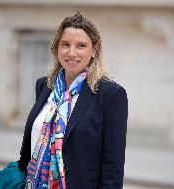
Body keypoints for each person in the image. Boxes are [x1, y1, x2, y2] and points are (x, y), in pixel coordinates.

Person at [18, 12, 128, 189]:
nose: (71, 53)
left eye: (81, 45)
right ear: (56, 48)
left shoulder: (110, 94)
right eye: (65, 44)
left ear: (94, 49)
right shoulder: (45, 86)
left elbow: (113, 166)